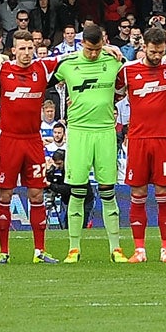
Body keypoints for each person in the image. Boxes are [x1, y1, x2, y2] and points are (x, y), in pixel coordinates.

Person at [53, 23, 127, 262]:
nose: (93, 54)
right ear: (81, 43)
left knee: (108, 191)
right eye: (89, 49)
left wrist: (115, 50)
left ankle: (115, 248)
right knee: (77, 191)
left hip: (105, 132)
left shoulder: (115, 61)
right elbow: (38, 76)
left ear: (102, 44)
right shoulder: (67, 64)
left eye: (97, 49)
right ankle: (74, 248)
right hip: (78, 133)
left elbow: (139, 70)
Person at [0, 31, 59, 263]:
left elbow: (72, 58)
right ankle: (3, 251)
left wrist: (106, 49)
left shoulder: (42, 69)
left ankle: (39, 250)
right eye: (22, 49)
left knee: (37, 193)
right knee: (5, 194)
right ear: (12, 50)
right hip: (9, 139)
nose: (27, 53)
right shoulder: (2, 70)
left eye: (30, 48)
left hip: (33, 140)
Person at [121, 24, 166, 262]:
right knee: (137, 193)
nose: (157, 56)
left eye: (161, 51)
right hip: (137, 139)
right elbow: (112, 91)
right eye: (152, 51)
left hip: (163, 139)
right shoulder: (128, 71)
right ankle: (139, 250)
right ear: (143, 47)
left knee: (164, 193)